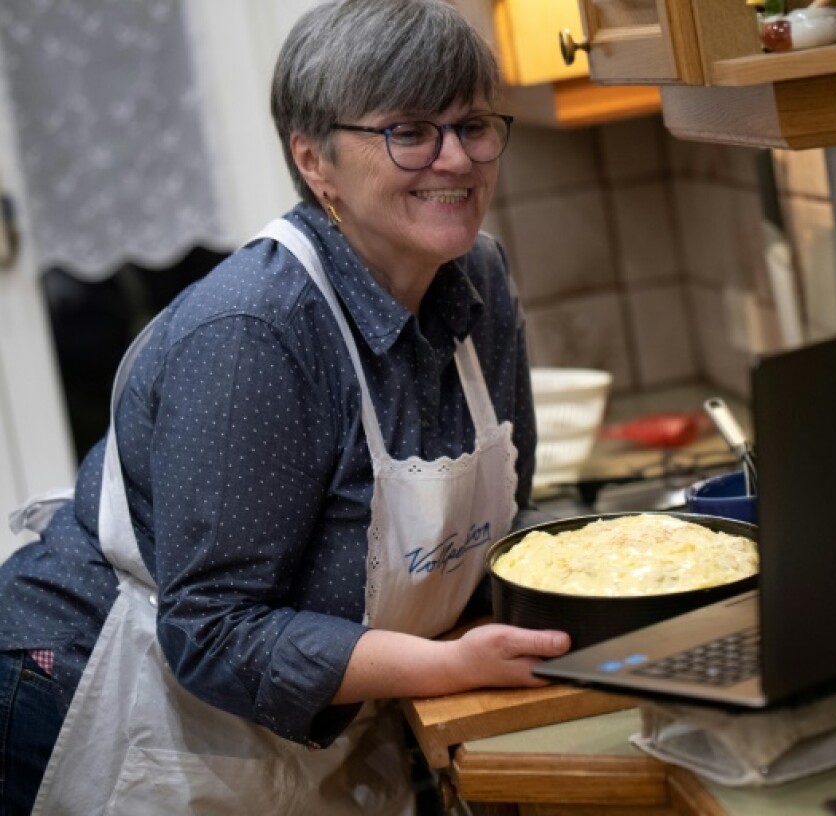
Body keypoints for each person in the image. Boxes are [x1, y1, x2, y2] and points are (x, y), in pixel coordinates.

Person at [0, 1, 571, 813]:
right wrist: (442, 667)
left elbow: (499, 540)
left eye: (473, 124)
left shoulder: (480, 283)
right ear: (316, 160)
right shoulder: (255, 331)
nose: (456, 159)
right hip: (95, 692)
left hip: (293, 731)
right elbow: (212, 631)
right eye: (409, 130)